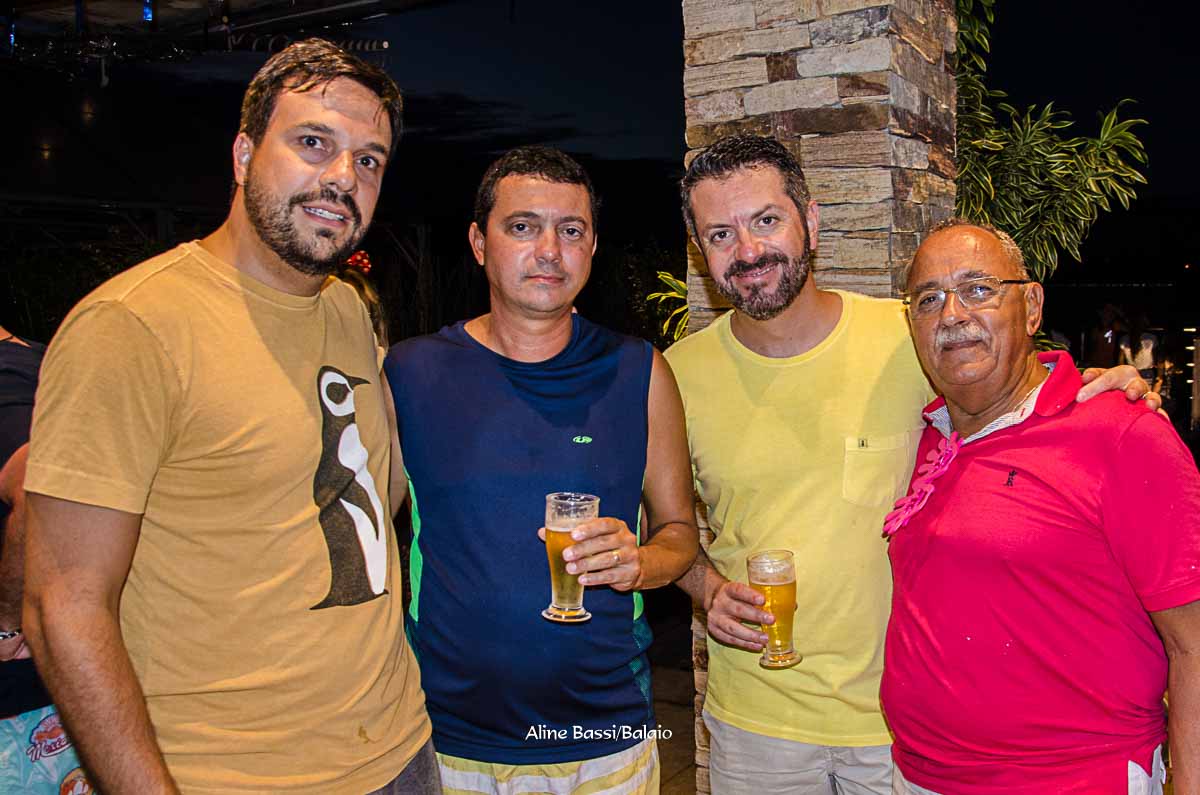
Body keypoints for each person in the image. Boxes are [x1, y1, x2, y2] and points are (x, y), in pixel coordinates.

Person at [664, 134, 1158, 794]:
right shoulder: (675, 377)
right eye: (721, 234)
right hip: (756, 728)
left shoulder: (911, 336)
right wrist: (705, 587)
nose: (749, 250)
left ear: (810, 221)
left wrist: (1104, 387)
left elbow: (1013, 391)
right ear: (700, 250)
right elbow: (660, 527)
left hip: (901, 731)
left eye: (767, 220)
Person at [22, 40, 435, 794]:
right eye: (314, 143)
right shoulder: (133, 326)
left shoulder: (347, 309)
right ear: (244, 155)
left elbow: (371, 498)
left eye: (369, 160)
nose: (343, 177)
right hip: (232, 774)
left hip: (400, 750)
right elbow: (63, 605)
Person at [383, 146, 698, 794]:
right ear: (479, 242)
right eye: (523, 226)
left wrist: (640, 562)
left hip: (603, 742)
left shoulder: (639, 372)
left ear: (593, 247)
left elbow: (680, 533)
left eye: (571, 230)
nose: (550, 250)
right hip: (447, 741)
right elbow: (361, 533)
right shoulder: (410, 374)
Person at [882, 218, 1200, 794]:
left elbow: (1193, 644)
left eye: (978, 289)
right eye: (928, 300)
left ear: (1031, 307)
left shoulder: (1122, 434)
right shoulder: (935, 435)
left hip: (1074, 780)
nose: (951, 314)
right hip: (920, 777)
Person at [0, 328, 94, 794]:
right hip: (64, 680)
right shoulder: (43, 360)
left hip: (23, 705)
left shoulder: (6, 377)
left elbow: (36, 485)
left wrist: (8, 623)